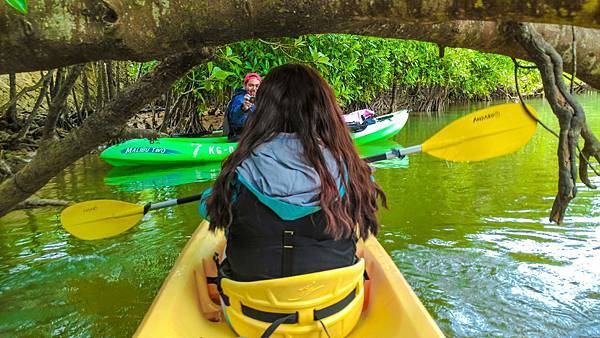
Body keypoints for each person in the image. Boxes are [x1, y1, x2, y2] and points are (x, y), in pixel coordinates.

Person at [200, 64, 386, 282]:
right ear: (324, 110)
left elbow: (208, 210)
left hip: (249, 310)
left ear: (264, 111)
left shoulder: (239, 168)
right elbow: (368, 200)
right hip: (335, 306)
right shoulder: (349, 168)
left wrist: (211, 194)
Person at [224, 72, 261, 141]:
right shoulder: (239, 98)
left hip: (254, 135)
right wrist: (243, 109)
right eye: (251, 85)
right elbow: (234, 118)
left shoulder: (259, 99)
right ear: (245, 85)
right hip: (240, 137)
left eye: (257, 86)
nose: (254, 89)